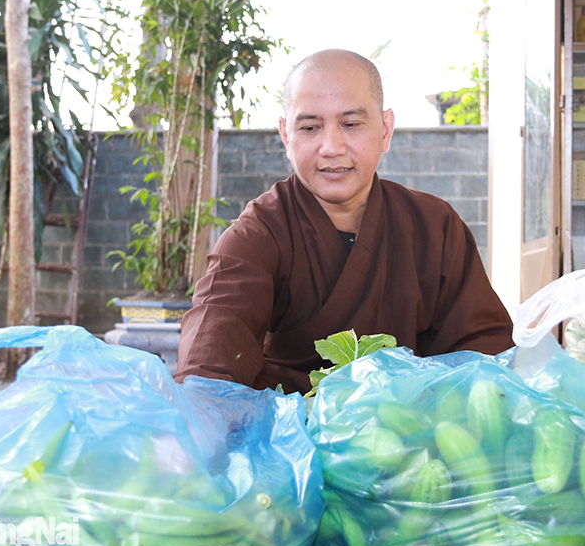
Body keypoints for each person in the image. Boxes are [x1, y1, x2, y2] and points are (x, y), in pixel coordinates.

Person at [175, 49, 513, 392]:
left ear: (385, 129)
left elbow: (484, 350)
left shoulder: (432, 226)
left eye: (350, 124)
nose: (331, 147)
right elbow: (212, 351)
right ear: (286, 135)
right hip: (294, 435)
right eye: (310, 127)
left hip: (407, 431)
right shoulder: (259, 234)